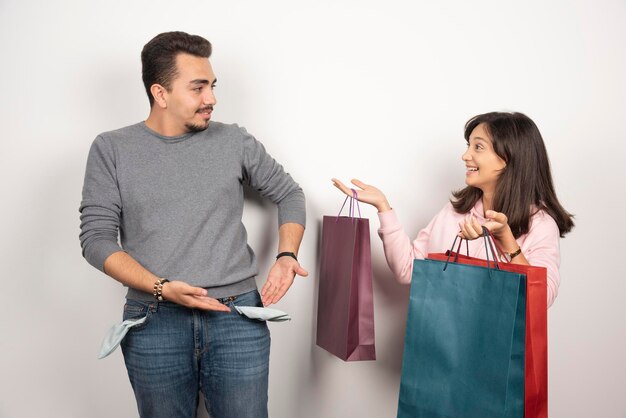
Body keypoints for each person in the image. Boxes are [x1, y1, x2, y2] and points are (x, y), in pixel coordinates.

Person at [79, 31, 307, 418]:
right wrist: (162, 288)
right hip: (153, 319)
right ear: (160, 93)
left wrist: (287, 255)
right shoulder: (111, 148)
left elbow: (290, 194)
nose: (212, 99)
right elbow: (96, 239)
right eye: (198, 87)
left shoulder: (234, 140)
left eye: (213, 86)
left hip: (237, 317)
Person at [333, 112, 573, 307]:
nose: (465, 155)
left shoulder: (540, 224)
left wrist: (506, 240)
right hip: (444, 351)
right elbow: (408, 269)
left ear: (508, 158)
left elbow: (541, 300)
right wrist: (383, 207)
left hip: (495, 359)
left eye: (478, 147)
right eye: (469, 146)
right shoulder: (456, 212)